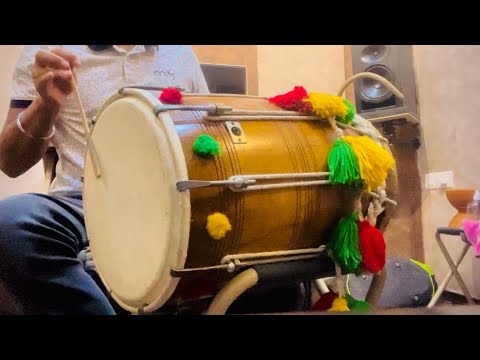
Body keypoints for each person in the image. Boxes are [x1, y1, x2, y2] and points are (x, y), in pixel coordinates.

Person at [0, 45, 210, 315]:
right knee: (9, 222)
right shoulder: (48, 51)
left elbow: (205, 131)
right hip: (81, 202)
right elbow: (10, 163)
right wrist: (46, 104)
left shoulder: (180, 54)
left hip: (169, 203)